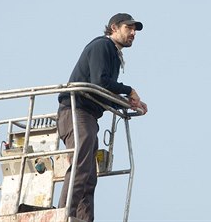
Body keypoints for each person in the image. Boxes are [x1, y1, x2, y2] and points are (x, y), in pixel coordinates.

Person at [57, 13, 148, 221]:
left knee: (89, 175)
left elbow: (103, 92)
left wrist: (129, 103)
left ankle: (83, 218)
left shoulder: (114, 55)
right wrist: (129, 90)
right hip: (75, 112)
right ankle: (64, 214)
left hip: (88, 115)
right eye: (129, 28)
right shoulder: (102, 46)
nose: (133, 33)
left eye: (135, 30)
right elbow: (100, 83)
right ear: (114, 28)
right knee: (82, 164)